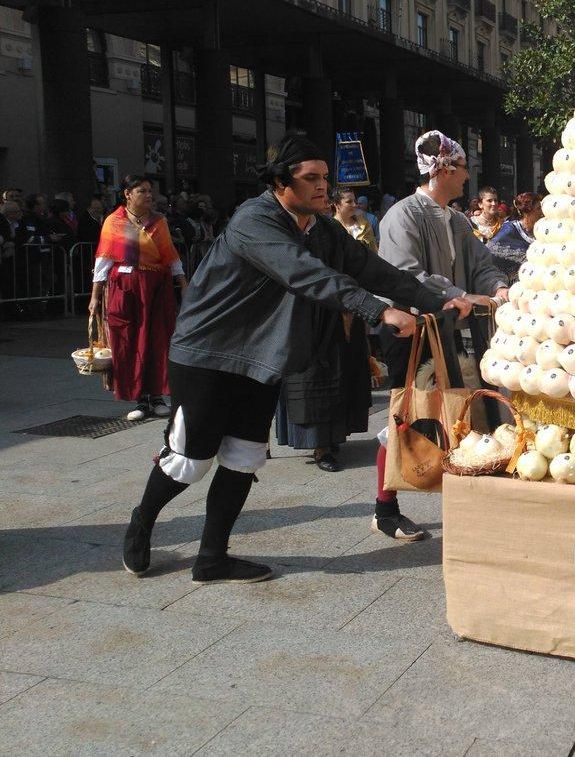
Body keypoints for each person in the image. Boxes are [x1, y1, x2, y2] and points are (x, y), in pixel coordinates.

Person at [121, 134, 470, 584]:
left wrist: (432, 300)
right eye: (311, 179)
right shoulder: (256, 220)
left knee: (243, 457)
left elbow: (371, 268)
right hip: (209, 355)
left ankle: (212, 557)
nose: (323, 187)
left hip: (262, 358)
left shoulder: (321, 227)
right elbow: (306, 274)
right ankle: (142, 522)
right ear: (281, 183)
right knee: (190, 459)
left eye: (325, 178)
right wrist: (377, 310)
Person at [376, 130, 509, 541]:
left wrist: (497, 286)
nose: (468, 177)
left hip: (454, 331)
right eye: (464, 168)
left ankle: (469, 501)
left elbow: (482, 264)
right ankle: (385, 509)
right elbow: (405, 274)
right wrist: (456, 294)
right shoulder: (402, 215)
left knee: (461, 414)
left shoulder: (456, 220)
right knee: (407, 417)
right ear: (445, 169)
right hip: (412, 331)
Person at [275, 188, 377, 473]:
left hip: (344, 306)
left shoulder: (336, 229)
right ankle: (319, 444)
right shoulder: (283, 227)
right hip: (306, 314)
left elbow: (366, 263)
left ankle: (334, 438)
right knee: (313, 378)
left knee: (343, 372)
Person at [89, 176, 188, 421]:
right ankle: (139, 398)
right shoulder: (114, 222)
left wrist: (183, 284)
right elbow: (103, 260)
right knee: (129, 340)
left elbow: (170, 255)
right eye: (141, 191)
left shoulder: (159, 221)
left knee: (158, 339)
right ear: (127, 194)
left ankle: (157, 395)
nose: (148, 195)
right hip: (126, 288)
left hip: (156, 288)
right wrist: (95, 297)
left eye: (149, 191)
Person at [486, 191, 541, 284]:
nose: (542, 212)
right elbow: (489, 253)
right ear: (528, 212)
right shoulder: (510, 229)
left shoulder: (542, 230)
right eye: (538, 208)